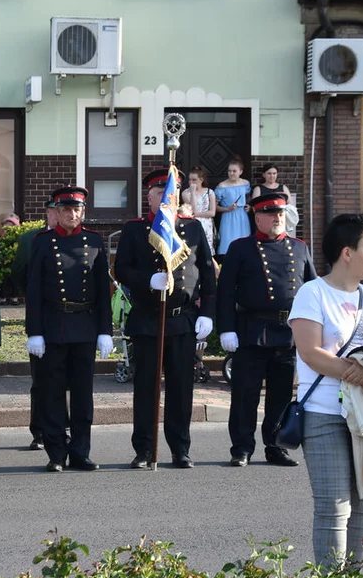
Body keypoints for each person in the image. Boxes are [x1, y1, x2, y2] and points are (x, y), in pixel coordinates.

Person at [290, 214, 363, 568]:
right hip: (324, 413)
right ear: (347, 252)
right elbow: (311, 353)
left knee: (362, 504)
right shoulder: (312, 293)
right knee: (333, 507)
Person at [114, 169, 216, 469]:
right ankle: (144, 449)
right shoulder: (135, 229)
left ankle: (179, 447)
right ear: (149, 197)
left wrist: (207, 314)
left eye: (170, 193)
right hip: (148, 319)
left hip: (182, 320)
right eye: (160, 193)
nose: (165, 198)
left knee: (181, 388)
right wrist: (148, 279)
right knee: (145, 388)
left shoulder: (193, 229)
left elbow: (207, 274)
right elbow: (120, 269)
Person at [217, 192, 316, 468]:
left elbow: (313, 291)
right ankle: (241, 447)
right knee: (245, 393)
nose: (277, 219)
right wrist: (226, 329)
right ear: (257, 217)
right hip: (252, 329)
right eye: (271, 214)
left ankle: (275, 446)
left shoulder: (299, 247)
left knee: (281, 395)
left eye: (281, 214)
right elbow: (225, 292)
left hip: (287, 331)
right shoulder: (240, 248)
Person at [25, 187, 113, 473]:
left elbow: (103, 291)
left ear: (82, 212)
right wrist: (34, 331)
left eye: (76, 210)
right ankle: (56, 452)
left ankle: (80, 451)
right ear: (57, 212)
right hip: (52, 326)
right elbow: (34, 290)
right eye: (66, 210)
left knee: (82, 394)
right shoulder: (42, 242)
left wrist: (105, 330)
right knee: (51, 394)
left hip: (84, 326)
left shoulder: (95, 241)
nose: (71, 214)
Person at [11, 199, 57, 450]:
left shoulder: (80, 239)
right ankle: (38, 431)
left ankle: (62, 428)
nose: (58, 215)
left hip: (69, 318)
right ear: (48, 213)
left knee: (65, 379)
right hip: (40, 314)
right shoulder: (31, 238)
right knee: (40, 377)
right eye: (53, 211)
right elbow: (19, 271)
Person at [214, 157, 251, 261]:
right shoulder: (222, 186)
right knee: (228, 243)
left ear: (241, 171)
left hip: (242, 215)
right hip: (228, 217)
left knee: (244, 242)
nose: (231, 173)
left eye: (234, 171)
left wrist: (248, 206)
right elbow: (214, 207)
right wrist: (227, 209)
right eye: (229, 171)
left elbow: (248, 198)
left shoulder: (245, 184)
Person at [179, 166, 216, 258]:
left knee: (207, 251)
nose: (191, 182)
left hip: (206, 225)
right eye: (190, 180)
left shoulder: (210, 193)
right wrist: (192, 193)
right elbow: (192, 209)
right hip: (193, 224)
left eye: (194, 180)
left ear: (201, 180)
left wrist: (198, 214)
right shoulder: (185, 193)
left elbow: (212, 212)